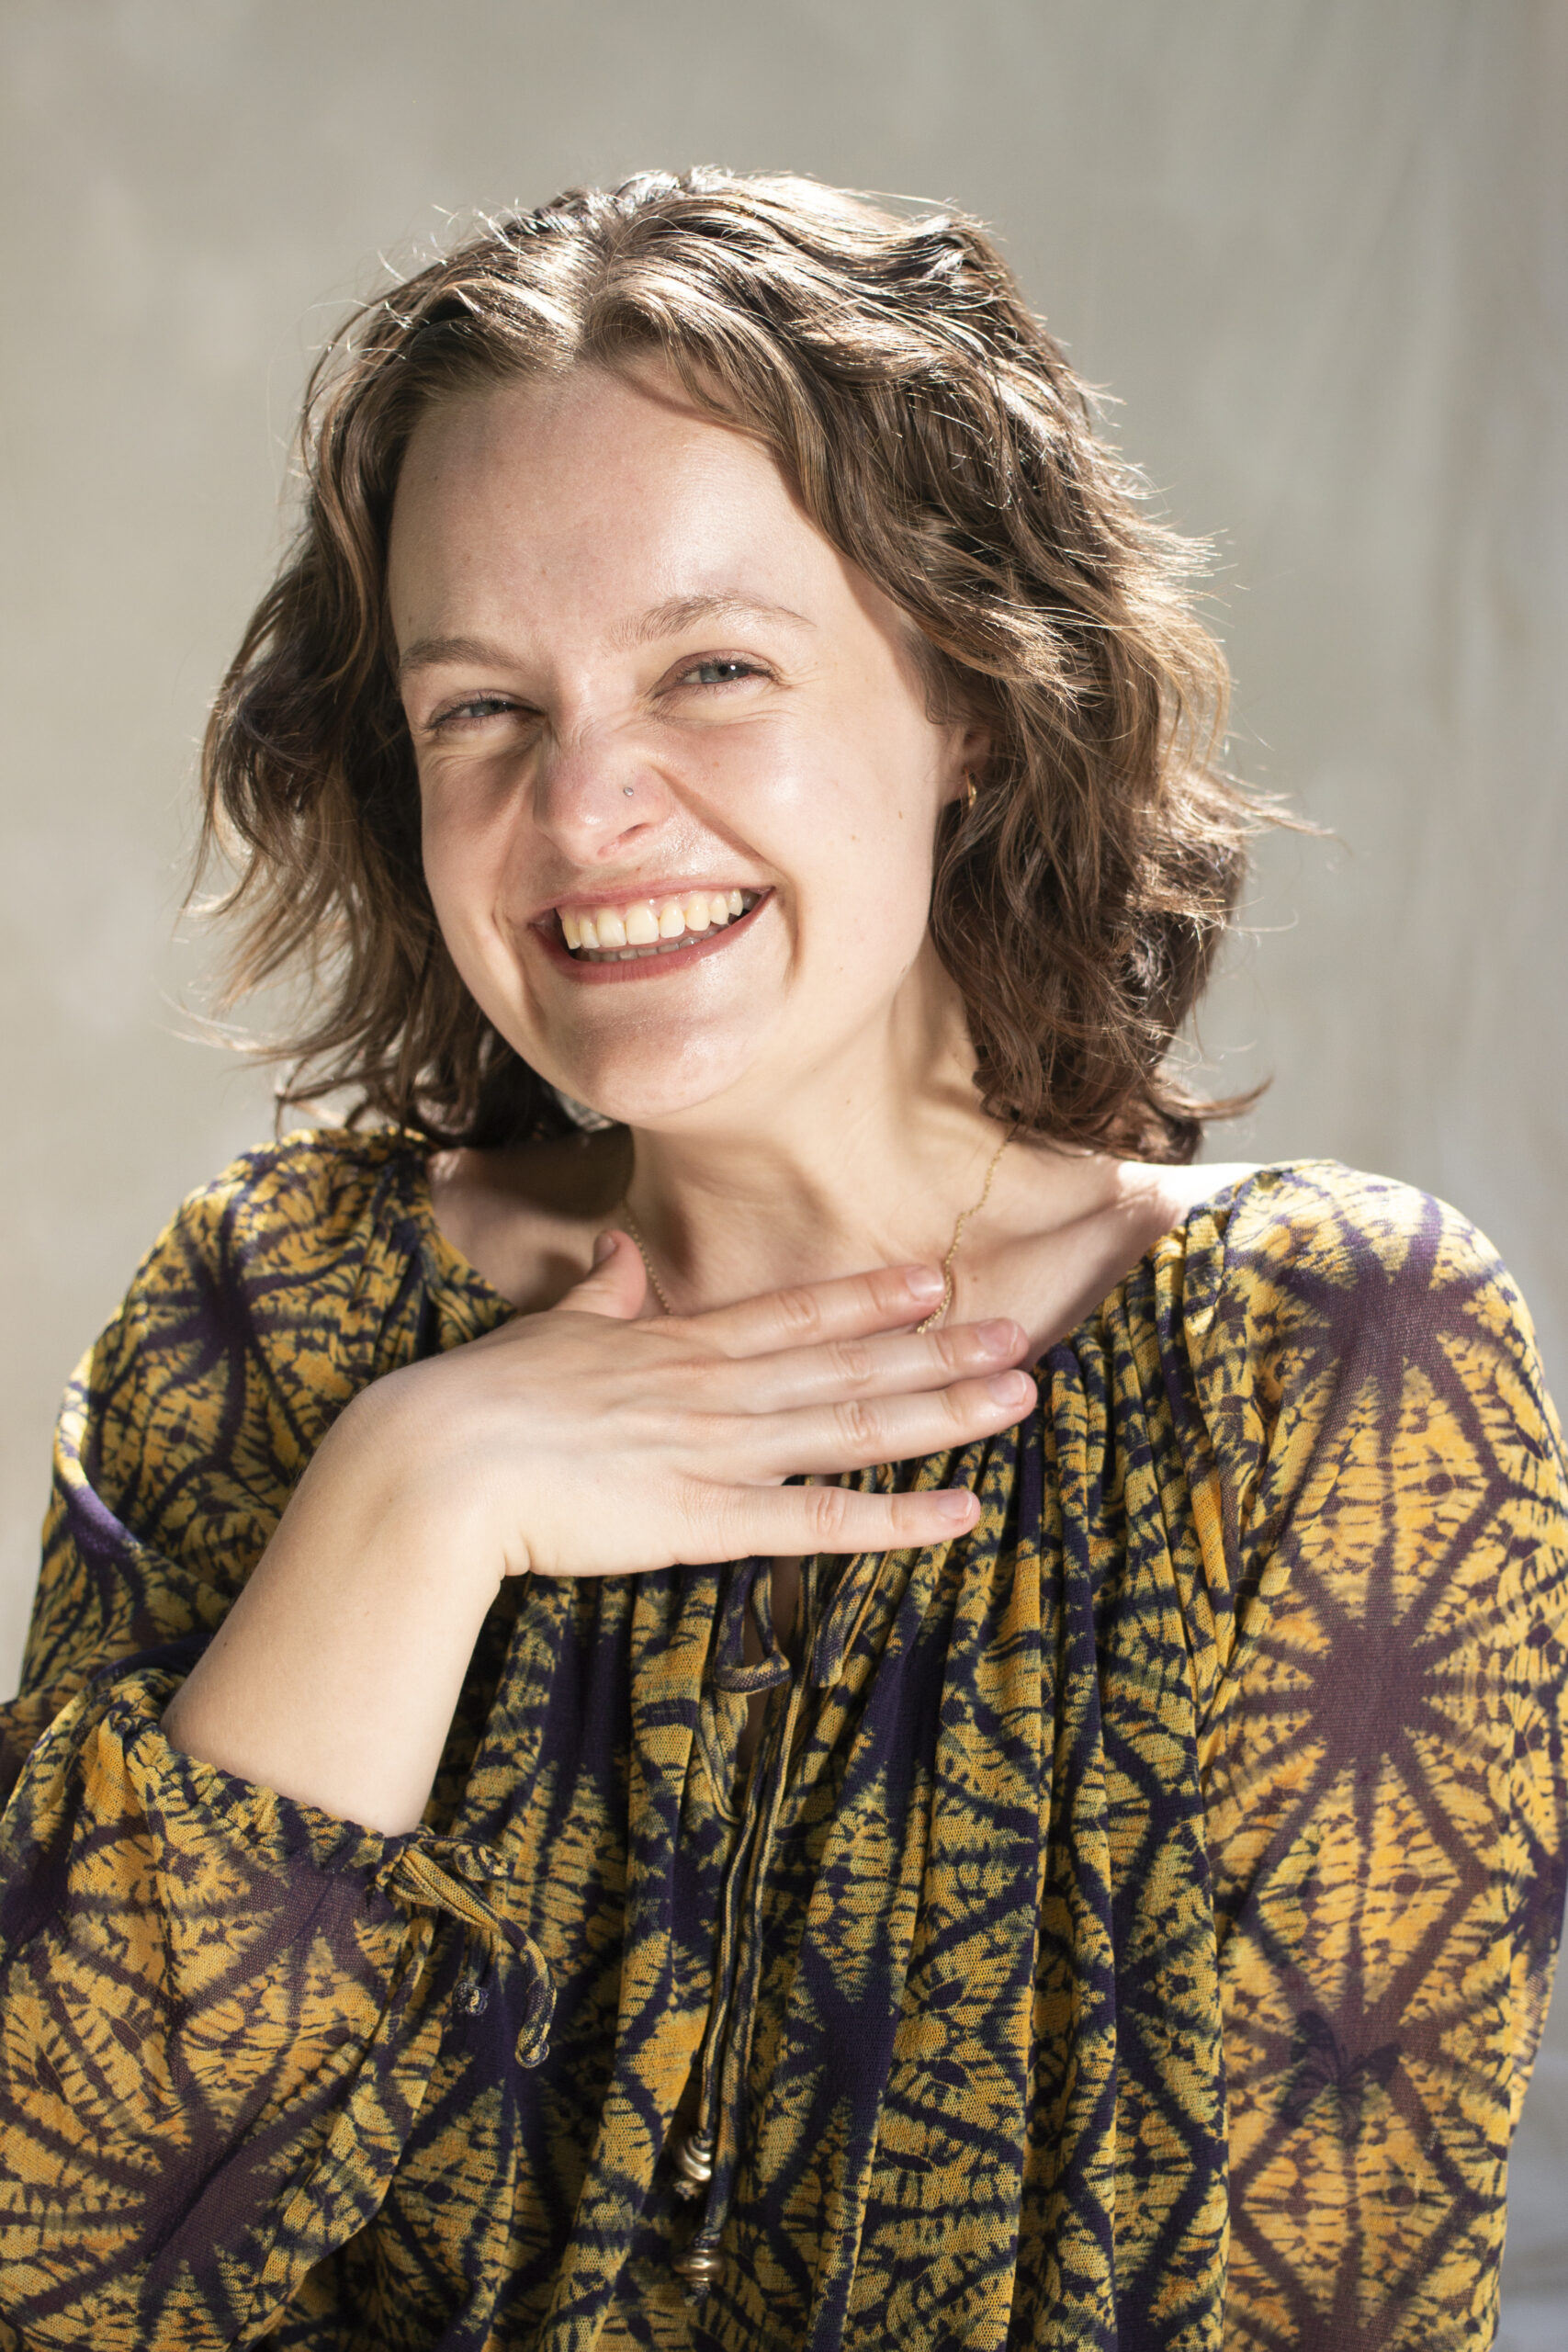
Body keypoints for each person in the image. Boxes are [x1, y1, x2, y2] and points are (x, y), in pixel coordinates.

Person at [1, 169, 1563, 2352]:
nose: (582, 813)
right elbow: (57, 2270)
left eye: (711, 667)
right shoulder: (272, 1328)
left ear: (978, 702)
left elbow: (1327, 2307)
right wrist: (411, 1497)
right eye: (482, 709)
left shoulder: (1322, 1358)